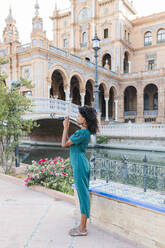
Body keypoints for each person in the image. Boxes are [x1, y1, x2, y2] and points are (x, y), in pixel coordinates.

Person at [61, 105, 98, 236]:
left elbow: (64, 144)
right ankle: (83, 225)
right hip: (82, 163)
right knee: (83, 194)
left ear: (85, 119)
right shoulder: (85, 132)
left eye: (79, 115)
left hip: (80, 165)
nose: (77, 117)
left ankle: (82, 228)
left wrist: (65, 127)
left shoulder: (82, 132)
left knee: (83, 195)